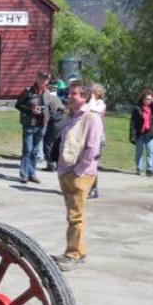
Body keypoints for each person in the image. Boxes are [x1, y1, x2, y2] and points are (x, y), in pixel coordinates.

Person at [54, 81, 104, 271]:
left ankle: (73, 255)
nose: (70, 96)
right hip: (66, 170)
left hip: (78, 174)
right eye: (69, 92)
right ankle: (77, 251)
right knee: (73, 215)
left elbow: (93, 148)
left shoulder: (92, 117)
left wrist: (78, 171)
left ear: (84, 97)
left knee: (76, 216)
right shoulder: (73, 115)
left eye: (74, 93)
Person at [15, 72, 50, 184]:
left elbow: (50, 107)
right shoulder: (28, 91)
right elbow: (18, 105)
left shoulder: (48, 93)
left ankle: (32, 173)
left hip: (41, 125)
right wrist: (31, 110)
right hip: (29, 124)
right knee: (27, 150)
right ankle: (24, 175)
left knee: (35, 151)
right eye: (42, 78)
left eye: (46, 79)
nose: (44, 81)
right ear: (37, 78)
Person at [130, 89, 153, 176]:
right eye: (146, 99)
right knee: (139, 152)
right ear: (142, 99)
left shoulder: (152, 108)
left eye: (150, 99)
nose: (148, 101)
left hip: (150, 134)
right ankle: (139, 169)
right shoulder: (137, 108)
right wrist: (132, 135)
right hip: (140, 133)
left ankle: (149, 170)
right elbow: (132, 123)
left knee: (150, 151)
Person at [87, 83, 107, 198]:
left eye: (93, 93)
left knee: (92, 163)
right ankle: (88, 187)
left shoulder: (101, 104)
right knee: (87, 163)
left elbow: (92, 110)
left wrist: (92, 99)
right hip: (89, 135)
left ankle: (93, 189)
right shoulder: (92, 102)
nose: (90, 95)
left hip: (98, 137)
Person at [42, 84, 66, 171]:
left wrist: (44, 123)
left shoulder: (47, 98)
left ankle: (50, 164)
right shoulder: (56, 98)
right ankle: (58, 164)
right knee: (57, 143)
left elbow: (46, 113)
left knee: (47, 143)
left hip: (55, 121)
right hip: (63, 120)